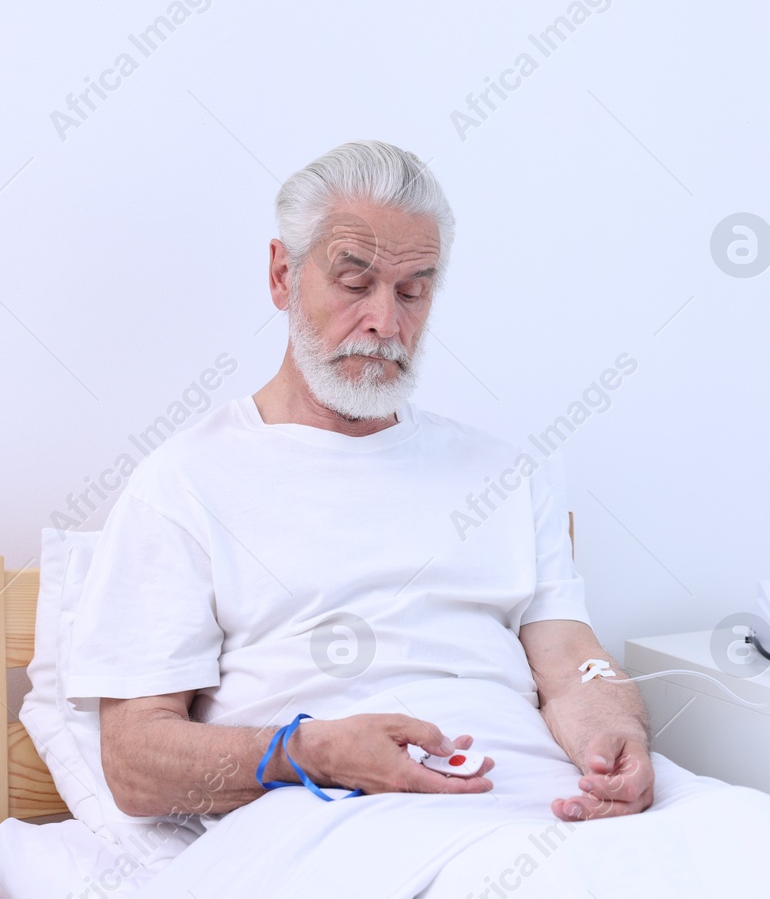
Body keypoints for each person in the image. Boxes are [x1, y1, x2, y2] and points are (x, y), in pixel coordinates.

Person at [66, 140, 653, 831]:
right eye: (354, 283)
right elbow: (135, 762)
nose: (385, 321)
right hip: (336, 818)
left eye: (412, 291)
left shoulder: (504, 476)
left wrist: (616, 729)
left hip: (539, 805)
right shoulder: (185, 483)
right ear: (283, 275)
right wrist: (311, 751)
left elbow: (573, 663)